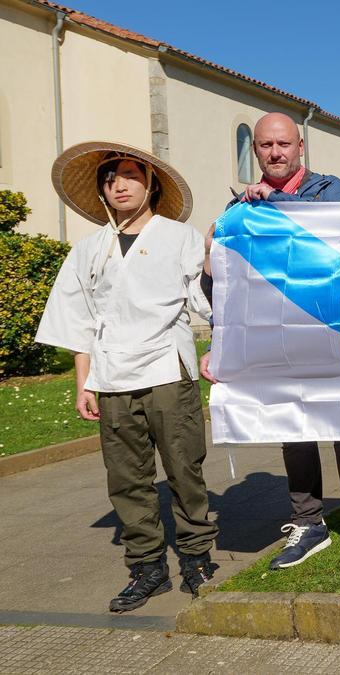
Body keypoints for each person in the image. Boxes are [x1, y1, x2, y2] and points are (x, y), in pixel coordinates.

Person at [199, 112, 340, 570]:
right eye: (265, 146)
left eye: (283, 144)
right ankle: (308, 522)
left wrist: (279, 209)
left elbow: (339, 243)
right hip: (280, 340)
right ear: (256, 151)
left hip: (331, 330)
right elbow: (224, 287)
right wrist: (213, 258)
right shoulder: (239, 210)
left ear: (300, 146)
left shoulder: (329, 190)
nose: (275, 153)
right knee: (293, 425)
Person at [37, 142, 218, 612]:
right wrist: (84, 383)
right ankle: (147, 568)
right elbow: (79, 321)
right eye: (110, 177)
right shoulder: (89, 249)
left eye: (130, 174)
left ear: (151, 182)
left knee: (184, 468)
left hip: (166, 369)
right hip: (111, 375)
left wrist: (215, 257)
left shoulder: (179, 236)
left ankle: (197, 558)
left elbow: (203, 301)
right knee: (126, 479)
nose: (118, 184)